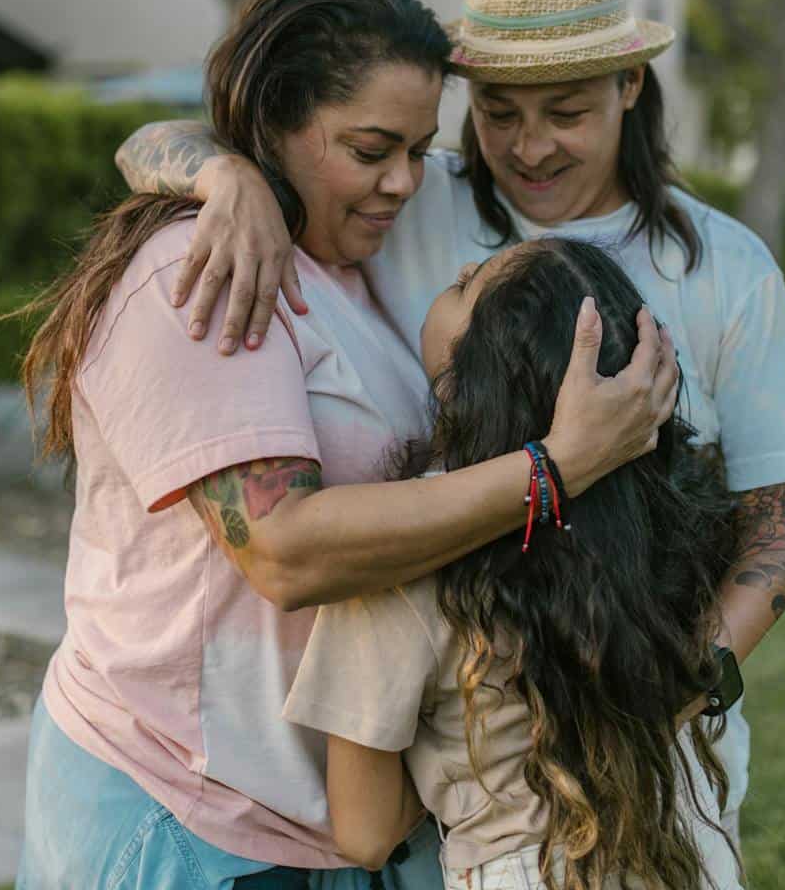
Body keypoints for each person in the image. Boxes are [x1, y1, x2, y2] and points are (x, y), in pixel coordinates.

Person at [115, 0, 785, 862]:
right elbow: (148, 143)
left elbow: (781, 514)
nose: (529, 147)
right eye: (499, 112)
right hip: (458, 793)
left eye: (567, 111)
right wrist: (228, 178)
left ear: (629, 86)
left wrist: (672, 687)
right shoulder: (413, 196)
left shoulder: (722, 267)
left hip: (659, 766)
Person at [14, 0, 679, 890]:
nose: (407, 182)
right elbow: (284, 550)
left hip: (334, 827)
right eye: (373, 151)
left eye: (418, 149)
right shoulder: (198, 270)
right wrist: (556, 468)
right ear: (275, 128)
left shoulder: (359, 267)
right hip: (187, 816)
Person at [285, 236, 746, 889]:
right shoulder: (660, 529)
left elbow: (366, 832)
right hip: (683, 852)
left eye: (471, 285)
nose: (461, 266)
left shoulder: (399, 565)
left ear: (478, 374)